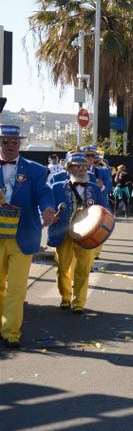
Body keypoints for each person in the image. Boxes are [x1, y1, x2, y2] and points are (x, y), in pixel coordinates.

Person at [0, 125, 56, 349]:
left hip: (22, 236)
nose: (11, 146)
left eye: (15, 141)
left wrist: (48, 209)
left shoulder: (35, 169)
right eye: (5, 141)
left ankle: (11, 332)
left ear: (20, 144)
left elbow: (44, 193)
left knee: (16, 287)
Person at [48, 152, 110, 314]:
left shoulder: (94, 188)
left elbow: (105, 209)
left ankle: (79, 303)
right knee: (62, 268)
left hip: (87, 233)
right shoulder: (56, 187)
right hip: (64, 232)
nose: (82, 170)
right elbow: (47, 207)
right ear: (68, 168)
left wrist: (100, 220)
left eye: (84, 167)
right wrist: (50, 216)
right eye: (78, 166)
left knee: (83, 268)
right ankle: (66, 297)